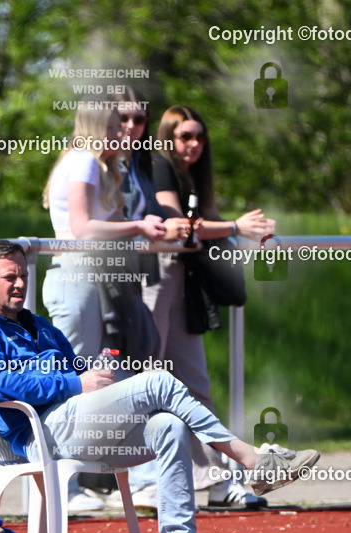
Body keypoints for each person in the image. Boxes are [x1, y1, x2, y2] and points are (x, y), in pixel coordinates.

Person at [0, 241, 321, 533]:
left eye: (23, 275)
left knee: (168, 426)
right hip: (41, 436)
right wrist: (76, 385)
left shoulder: (40, 327)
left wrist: (92, 374)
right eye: (9, 277)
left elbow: (73, 371)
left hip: (78, 424)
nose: (19, 283)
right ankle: (252, 461)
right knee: (158, 382)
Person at [40, 102, 175, 513]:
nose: (122, 133)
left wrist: (148, 229)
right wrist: (138, 226)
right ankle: (58, 482)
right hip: (76, 278)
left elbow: (108, 228)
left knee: (98, 377)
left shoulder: (98, 166)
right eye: (114, 126)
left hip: (96, 280)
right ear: (95, 127)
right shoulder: (82, 160)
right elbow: (82, 230)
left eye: (123, 125)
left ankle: (82, 479)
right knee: (71, 376)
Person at [147, 105, 278, 509]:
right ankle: (141, 483)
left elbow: (207, 223)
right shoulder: (157, 165)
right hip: (153, 279)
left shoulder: (192, 176)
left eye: (200, 137)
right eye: (185, 136)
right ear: (168, 136)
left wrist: (250, 234)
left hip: (182, 285)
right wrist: (238, 228)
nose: (194, 144)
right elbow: (179, 226)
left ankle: (219, 485)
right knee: (144, 386)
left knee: (196, 387)